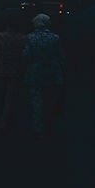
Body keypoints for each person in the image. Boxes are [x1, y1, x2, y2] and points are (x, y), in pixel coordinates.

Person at [21, 12, 67, 140]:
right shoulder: (55, 38)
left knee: (37, 101)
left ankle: (39, 128)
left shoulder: (29, 38)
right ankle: (50, 125)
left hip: (35, 72)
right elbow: (61, 56)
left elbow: (26, 56)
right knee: (50, 99)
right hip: (52, 72)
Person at [0, 13, 27, 132]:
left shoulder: (0, 36)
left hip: (1, 67)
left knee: (0, 93)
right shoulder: (23, 38)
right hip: (15, 68)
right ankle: (5, 120)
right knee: (10, 95)